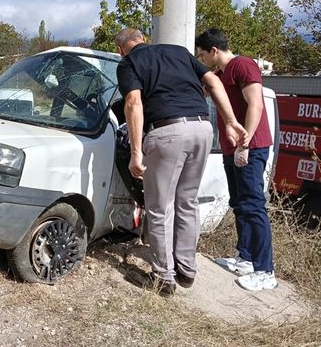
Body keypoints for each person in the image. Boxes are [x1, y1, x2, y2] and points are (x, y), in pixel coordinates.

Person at [115, 28, 246, 297]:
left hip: (166, 132)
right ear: (143, 40)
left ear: (121, 48)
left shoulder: (129, 63)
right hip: (202, 130)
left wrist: (136, 152)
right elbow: (214, 82)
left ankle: (163, 278)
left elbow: (133, 102)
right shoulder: (179, 52)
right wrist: (231, 121)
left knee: (160, 208)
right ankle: (187, 269)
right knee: (187, 202)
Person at [196, 28, 277, 291]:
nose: (202, 59)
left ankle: (266, 271)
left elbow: (256, 105)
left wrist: (246, 143)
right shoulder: (220, 74)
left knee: (254, 206)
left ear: (214, 51)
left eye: (202, 54)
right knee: (239, 204)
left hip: (251, 147)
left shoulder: (243, 65)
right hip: (233, 149)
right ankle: (246, 258)